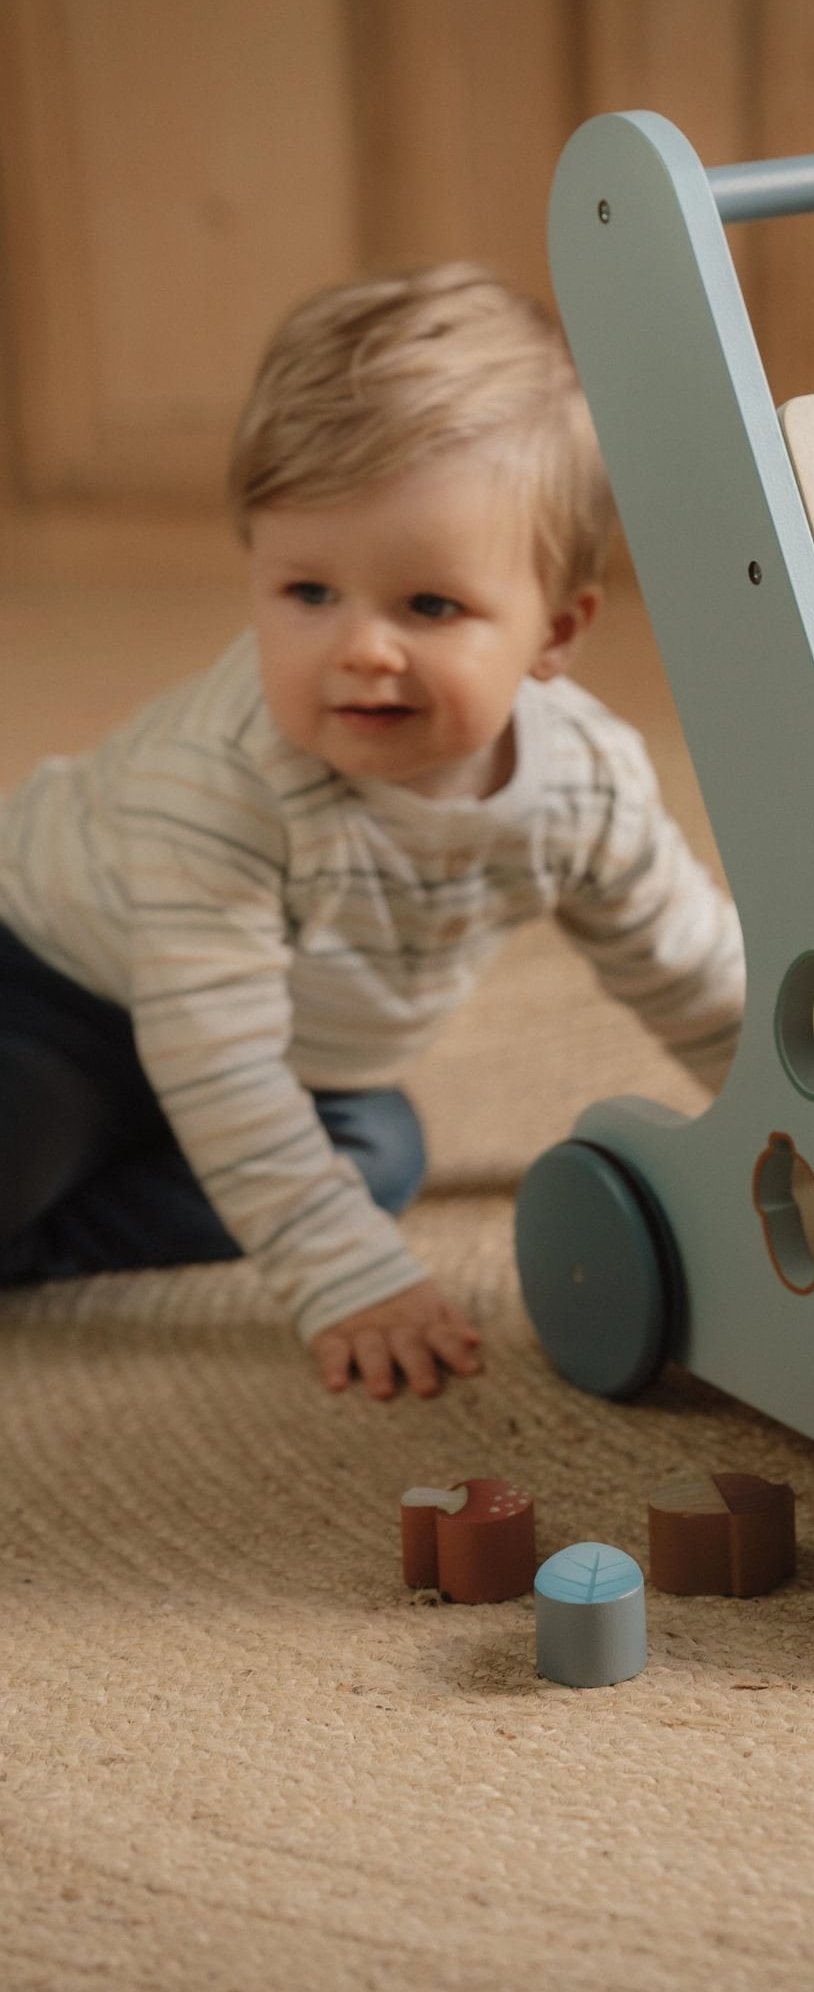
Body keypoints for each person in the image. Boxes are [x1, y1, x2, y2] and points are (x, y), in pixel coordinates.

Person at [0, 264, 744, 1398]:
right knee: (26, 1135)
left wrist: (808, 1114)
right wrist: (343, 1277)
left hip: (288, 1049)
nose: (361, 649)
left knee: (380, 1161)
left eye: (429, 606)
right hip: (54, 983)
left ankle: (45, 1242)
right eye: (308, 593)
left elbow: (690, 968)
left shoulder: (583, 788)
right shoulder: (224, 780)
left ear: (555, 632)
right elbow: (214, 1053)